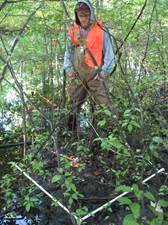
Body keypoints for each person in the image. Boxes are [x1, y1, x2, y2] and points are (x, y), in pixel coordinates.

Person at [63, 0, 118, 132]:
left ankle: (115, 134)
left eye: (86, 14)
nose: (84, 18)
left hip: (96, 75)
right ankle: (71, 133)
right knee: (72, 105)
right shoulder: (73, 30)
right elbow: (68, 52)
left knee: (106, 106)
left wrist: (104, 73)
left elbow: (110, 54)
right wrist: (68, 68)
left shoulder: (101, 30)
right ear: (77, 15)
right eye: (81, 15)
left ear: (91, 14)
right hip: (77, 75)